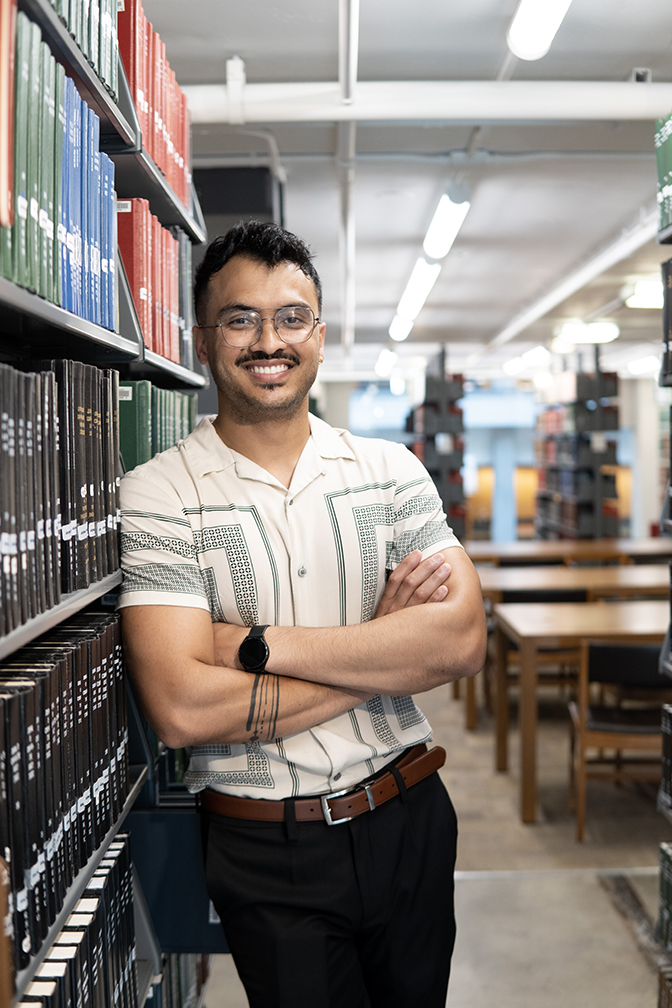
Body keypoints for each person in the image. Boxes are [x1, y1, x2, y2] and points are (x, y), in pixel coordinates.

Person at [118, 220, 486, 1008]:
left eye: (291, 317)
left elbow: (459, 639)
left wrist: (252, 647)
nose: (268, 340)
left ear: (318, 337)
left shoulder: (390, 471)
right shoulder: (160, 491)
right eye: (240, 318)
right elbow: (182, 709)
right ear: (201, 336)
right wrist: (382, 655)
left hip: (410, 818)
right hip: (263, 844)